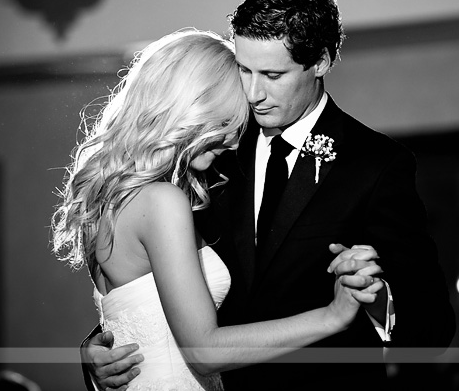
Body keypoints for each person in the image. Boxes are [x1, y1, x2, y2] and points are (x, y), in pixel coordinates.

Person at [85, 0, 456, 390]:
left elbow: (433, 328)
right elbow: (151, 281)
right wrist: (102, 348)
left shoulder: (375, 165)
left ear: (320, 61)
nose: (254, 93)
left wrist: (374, 294)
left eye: (273, 75)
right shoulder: (209, 145)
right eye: (244, 69)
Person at [53, 28, 383, 391]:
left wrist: (90, 351)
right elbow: (203, 351)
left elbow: (136, 314)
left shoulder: (106, 197)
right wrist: (332, 316)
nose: (232, 140)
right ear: (189, 106)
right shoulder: (162, 201)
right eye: (225, 122)